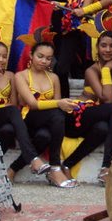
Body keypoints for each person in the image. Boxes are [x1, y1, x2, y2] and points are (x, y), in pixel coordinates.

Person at [0, 42, 50, 178]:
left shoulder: (10, 75)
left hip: (7, 118)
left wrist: (4, 107)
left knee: (9, 129)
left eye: (4, 56)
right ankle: (33, 159)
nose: (0, 60)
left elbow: (14, 102)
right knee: (12, 111)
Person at [12, 41, 77, 187]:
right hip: (28, 118)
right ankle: (55, 167)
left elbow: (57, 105)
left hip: (47, 122)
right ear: (31, 55)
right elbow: (32, 104)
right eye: (40, 56)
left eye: (48, 58)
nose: (44, 61)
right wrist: (59, 103)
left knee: (45, 136)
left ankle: (12, 169)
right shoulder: (20, 76)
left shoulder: (53, 77)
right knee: (56, 113)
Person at [80, 31, 112, 185]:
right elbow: (108, 100)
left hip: (104, 119)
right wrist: (106, 70)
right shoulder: (91, 71)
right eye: (103, 45)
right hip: (85, 114)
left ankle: (104, 169)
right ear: (97, 48)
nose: (107, 50)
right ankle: (107, 165)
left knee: (103, 128)